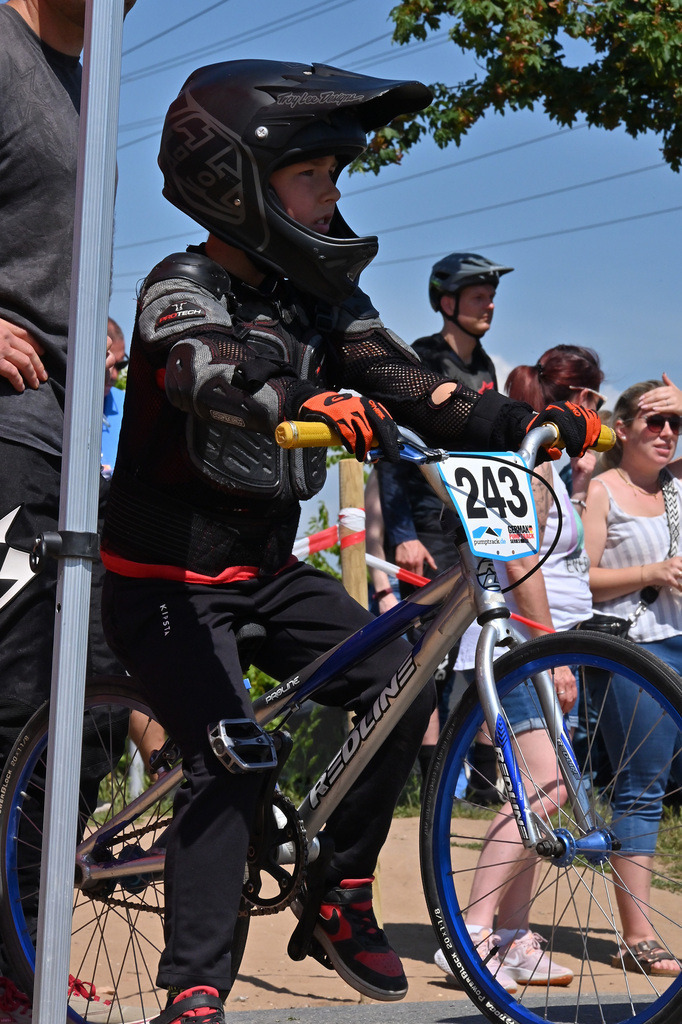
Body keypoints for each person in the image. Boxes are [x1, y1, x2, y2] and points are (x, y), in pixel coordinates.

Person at [99, 59, 601, 1024]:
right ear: (239, 183)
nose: (333, 195)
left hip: (266, 572)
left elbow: (415, 387)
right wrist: (295, 397)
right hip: (163, 579)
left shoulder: (319, 302)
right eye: (313, 175)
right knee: (233, 753)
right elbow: (197, 367)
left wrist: (538, 422)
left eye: (336, 176)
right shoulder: (181, 282)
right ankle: (195, 984)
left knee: (397, 677)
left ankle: (339, 884)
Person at [0, 0, 138, 1006]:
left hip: (63, 424)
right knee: (15, 703)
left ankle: (24, 949)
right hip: (5, 428)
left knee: (88, 706)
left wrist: (86, 315)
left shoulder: (92, 71)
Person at [434, 344, 604, 991]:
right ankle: (473, 934)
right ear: (556, 400)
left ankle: (513, 934)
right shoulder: (518, 466)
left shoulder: (548, 471)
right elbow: (517, 565)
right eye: (586, 398)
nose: (593, 412)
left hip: (542, 643)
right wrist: (545, 653)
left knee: (536, 795)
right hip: (517, 649)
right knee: (545, 788)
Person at [376, 253, 512, 793]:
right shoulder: (422, 358)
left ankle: (482, 777)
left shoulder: (486, 368)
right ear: (448, 302)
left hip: (475, 522)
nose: (490, 305)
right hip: (426, 524)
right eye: (479, 296)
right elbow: (392, 454)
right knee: (426, 651)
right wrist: (402, 535)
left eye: (491, 296)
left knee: (487, 639)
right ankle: (424, 780)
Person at [583, 379, 682, 977]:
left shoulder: (679, 486)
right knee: (640, 789)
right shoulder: (603, 488)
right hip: (636, 652)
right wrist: (653, 570)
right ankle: (637, 934)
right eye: (652, 421)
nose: (666, 433)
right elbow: (582, 577)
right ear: (621, 430)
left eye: (676, 423)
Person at [101, 316, 129, 478]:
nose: (115, 375)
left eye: (120, 365)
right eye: (110, 364)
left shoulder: (128, 406)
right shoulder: (60, 404)